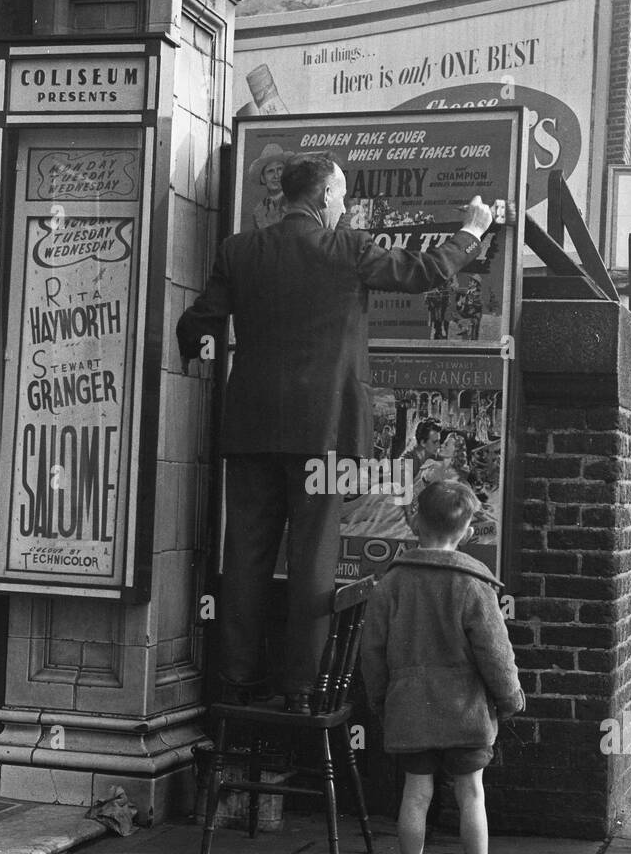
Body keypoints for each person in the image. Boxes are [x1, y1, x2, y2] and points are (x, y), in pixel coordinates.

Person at [177, 153, 493, 711]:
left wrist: (191, 353)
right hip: (323, 433)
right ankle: (302, 689)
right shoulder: (348, 248)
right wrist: (472, 230)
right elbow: (423, 273)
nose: (344, 206)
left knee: (245, 556)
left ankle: (237, 679)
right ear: (324, 197)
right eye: (341, 196)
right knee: (314, 558)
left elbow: (200, 318)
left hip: (250, 429)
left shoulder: (240, 250)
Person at [361, 480, 525, 854]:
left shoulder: (391, 583)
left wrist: (381, 701)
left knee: (415, 795)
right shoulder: (474, 585)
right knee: (472, 794)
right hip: (465, 711)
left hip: (411, 709)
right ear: (468, 530)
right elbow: (496, 653)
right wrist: (510, 699)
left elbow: (372, 652)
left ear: (414, 522)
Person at [248, 143, 294, 229]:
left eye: (280, 169)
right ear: (263, 178)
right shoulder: (259, 211)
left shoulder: (296, 202)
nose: (276, 175)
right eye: (270, 171)